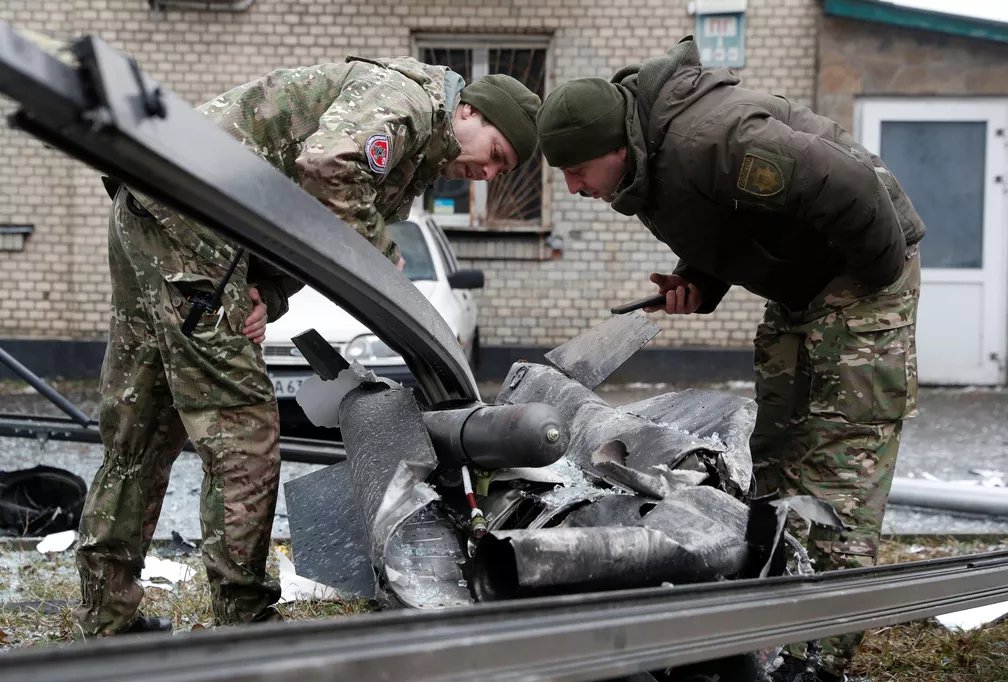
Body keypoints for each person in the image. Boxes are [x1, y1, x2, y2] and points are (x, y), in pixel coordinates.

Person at [73, 55, 540, 637]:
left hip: (158, 207)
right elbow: (327, 165)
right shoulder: (409, 102)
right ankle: (245, 623)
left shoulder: (414, 147)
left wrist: (269, 291)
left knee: (142, 425)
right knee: (243, 430)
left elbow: (306, 226)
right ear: (469, 112)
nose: (488, 174)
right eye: (495, 154)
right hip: (193, 221)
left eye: (501, 171)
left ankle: (107, 618)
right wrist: (378, 253)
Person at [535, 36, 923, 681]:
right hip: (803, 288)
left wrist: (869, 290)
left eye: (577, 171)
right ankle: (770, 621)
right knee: (777, 456)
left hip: (861, 274)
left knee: (839, 458)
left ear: (615, 147)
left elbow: (850, 184)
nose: (574, 188)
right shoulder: (650, 161)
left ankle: (820, 655)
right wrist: (700, 279)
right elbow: (733, 219)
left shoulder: (713, 139)